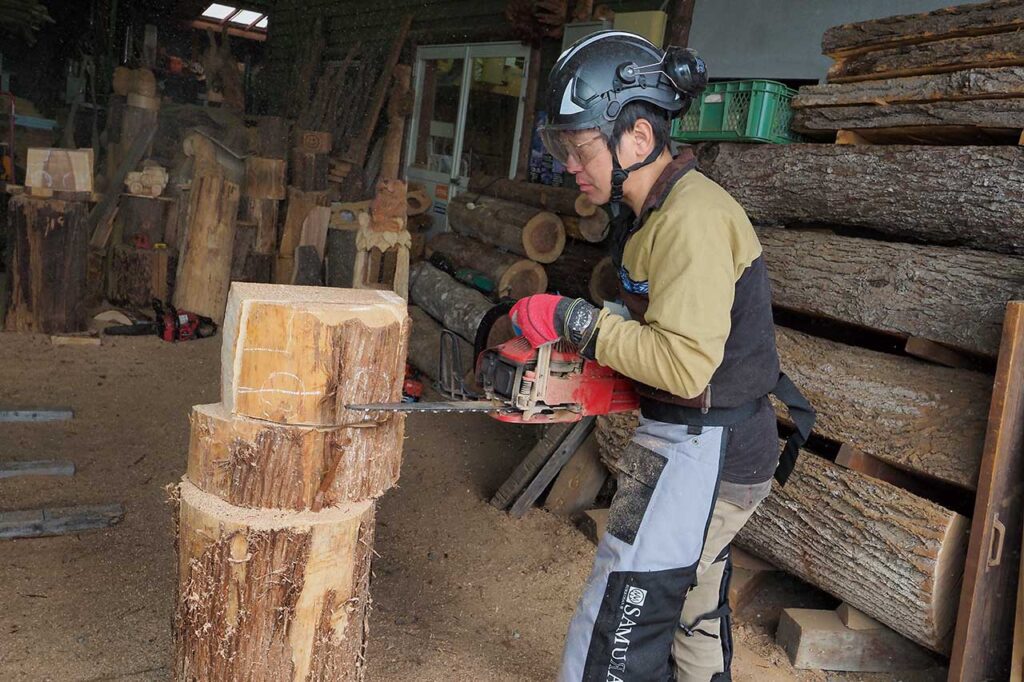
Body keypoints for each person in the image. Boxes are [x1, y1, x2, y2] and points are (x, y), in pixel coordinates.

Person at [508, 32, 813, 682]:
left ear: (638, 137)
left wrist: (574, 320)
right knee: (691, 604)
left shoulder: (690, 219)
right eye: (564, 150)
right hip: (693, 435)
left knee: (622, 609)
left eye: (582, 148)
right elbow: (669, 325)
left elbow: (683, 365)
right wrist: (600, 341)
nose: (571, 166)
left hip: (709, 446)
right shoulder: (655, 209)